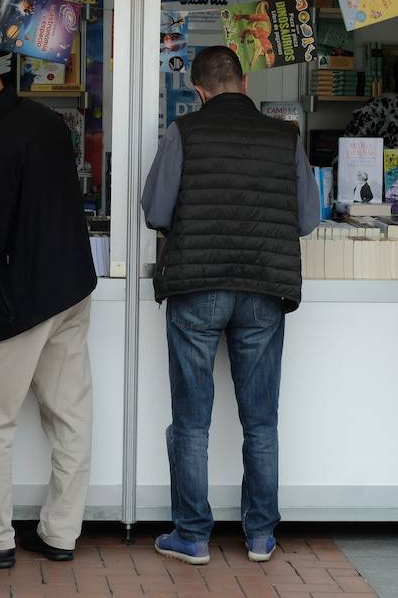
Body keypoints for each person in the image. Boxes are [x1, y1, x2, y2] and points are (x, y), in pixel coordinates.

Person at [141, 46, 320, 565]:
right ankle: (261, 535)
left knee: (191, 421)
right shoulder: (285, 138)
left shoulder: (183, 133)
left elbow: (155, 210)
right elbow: (307, 220)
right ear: (244, 82)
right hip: (265, 286)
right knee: (261, 422)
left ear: (198, 91)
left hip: (197, 286)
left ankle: (192, 537)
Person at [0, 50, 97, 568]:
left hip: (16, 300)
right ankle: (61, 533)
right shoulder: (48, 121)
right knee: (70, 416)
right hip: (70, 288)